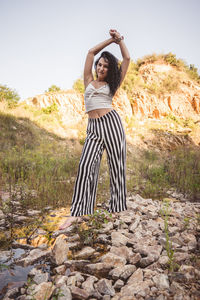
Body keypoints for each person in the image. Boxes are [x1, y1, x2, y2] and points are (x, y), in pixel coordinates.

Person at [59, 29, 130, 230]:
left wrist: (120, 41)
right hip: (93, 128)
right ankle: (79, 212)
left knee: (117, 166)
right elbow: (90, 52)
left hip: (111, 123)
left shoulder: (113, 84)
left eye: (106, 66)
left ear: (110, 70)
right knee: (85, 166)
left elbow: (126, 58)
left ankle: (117, 208)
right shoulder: (88, 81)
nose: (101, 68)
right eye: (100, 64)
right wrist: (110, 40)